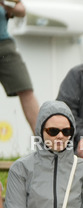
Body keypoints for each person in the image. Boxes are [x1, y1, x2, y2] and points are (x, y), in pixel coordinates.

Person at [0, 0, 39, 128]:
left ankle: (45, 142)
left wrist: (6, 5)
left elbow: (21, 10)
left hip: (4, 44)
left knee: (26, 89)